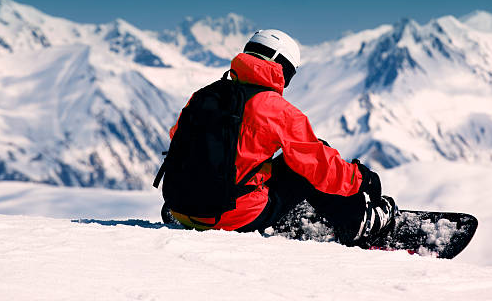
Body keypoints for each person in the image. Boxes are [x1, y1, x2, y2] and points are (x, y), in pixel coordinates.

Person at [161, 29, 396, 246]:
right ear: (281, 67)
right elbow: (319, 165)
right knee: (302, 166)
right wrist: (361, 179)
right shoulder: (276, 110)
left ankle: (198, 208)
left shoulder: (206, 94)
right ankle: (357, 221)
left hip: (180, 208)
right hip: (230, 217)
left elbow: (178, 138)